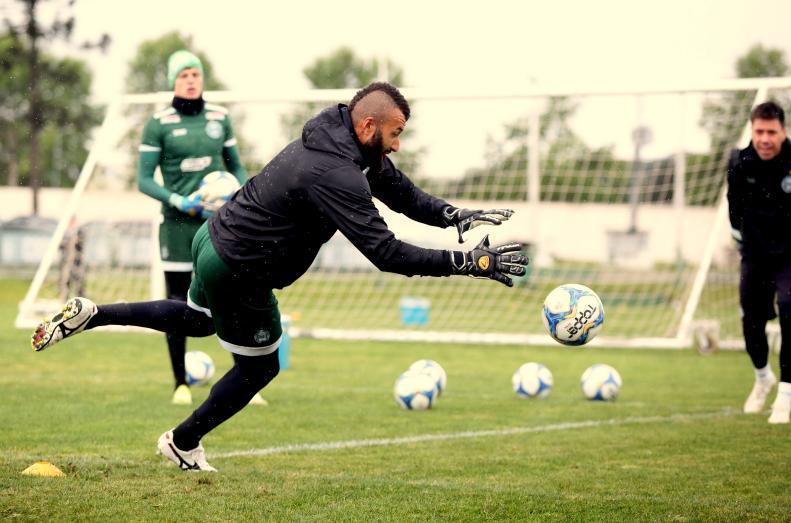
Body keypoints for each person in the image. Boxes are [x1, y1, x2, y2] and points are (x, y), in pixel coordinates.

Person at [31, 82, 528, 471]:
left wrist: (452, 215)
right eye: (395, 134)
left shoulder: (339, 138)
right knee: (259, 369)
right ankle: (182, 442)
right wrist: (471, 262)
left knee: (199, 321)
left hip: (214, 239)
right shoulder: (334, 173)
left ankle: (94, 313)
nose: (397, 145)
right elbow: (386, 253)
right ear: (369, 125)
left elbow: (399, 191)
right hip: (240, 268)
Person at [138, 50, 262, 406]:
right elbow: (144, 180)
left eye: (196, 74)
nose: (191, 80)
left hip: (219, 226)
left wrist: (238, 196)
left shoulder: (219, 117)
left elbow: (236, 167)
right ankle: (180, 383)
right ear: (173, 82)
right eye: (183, 75)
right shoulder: (158, 122)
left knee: (234, 297)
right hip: (177, 226)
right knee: (177, 302)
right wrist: (178, 201)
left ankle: (246, 379)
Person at [727, 100, 791, 424]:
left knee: (790, 307)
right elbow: (734, 211)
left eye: (771, 132)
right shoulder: (739, 162)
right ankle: (763, 377)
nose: (765, 139)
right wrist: (743, 247)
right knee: (751, 320)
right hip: (755, 254)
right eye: (759, 131)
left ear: (783, 132)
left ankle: (786, 394)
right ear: (752, 131)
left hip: (790, 255)